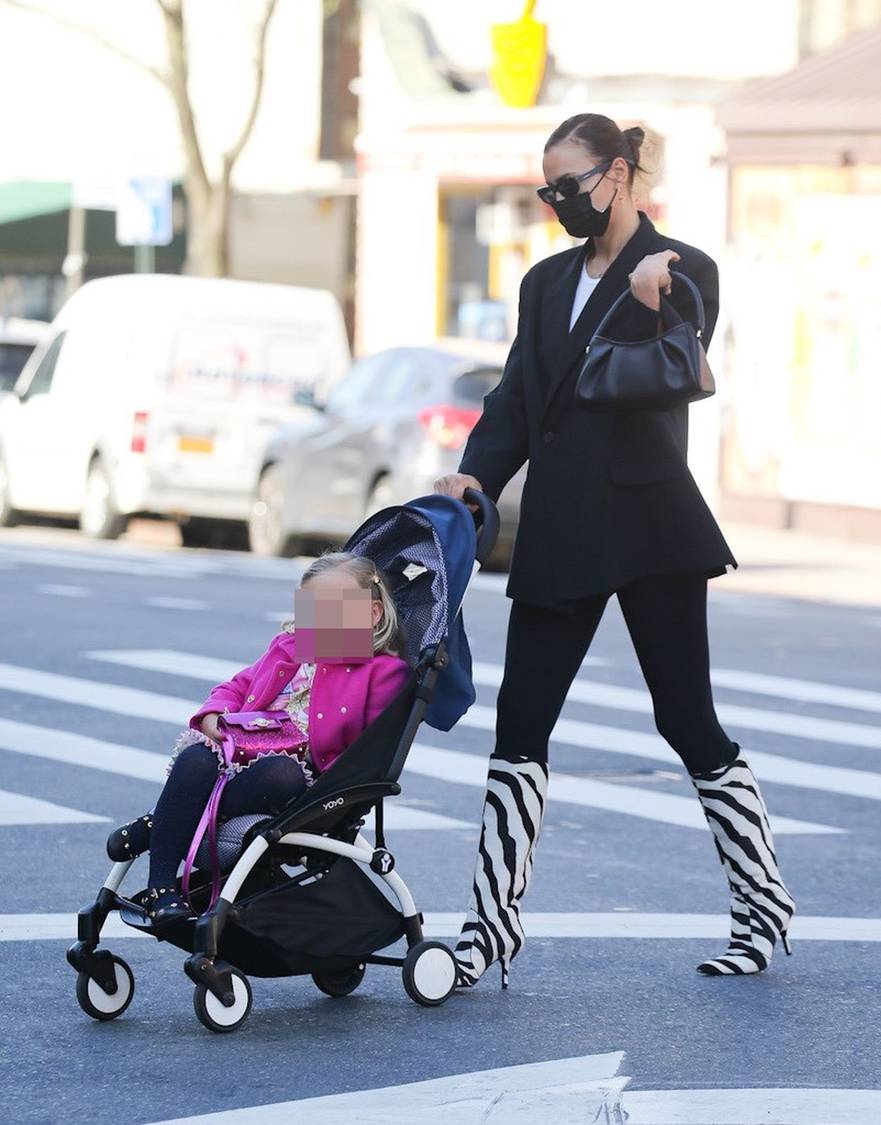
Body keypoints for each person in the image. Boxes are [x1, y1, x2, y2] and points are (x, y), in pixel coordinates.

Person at [435, 113, 795, 986]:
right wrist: (475, 476)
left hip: (650, 528)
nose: (559, 202)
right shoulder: (543, 280)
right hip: (560, 529)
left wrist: (645, 301)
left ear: (622, 176)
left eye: (572, 186)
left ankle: (762, 908)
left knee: (688, 721)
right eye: (547, 190)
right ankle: (489, 926)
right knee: (519, 730)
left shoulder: (681, 268)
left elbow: (669, 374)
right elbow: (519, 394)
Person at [108, 551, 410, 926]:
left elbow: (370, 746)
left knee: (282, 773)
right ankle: (162, 889)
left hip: (300, 778)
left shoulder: (382, 673)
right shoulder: (289, 648)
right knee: (196, 759)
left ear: (372, 614)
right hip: (241, 749)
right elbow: (240, 684)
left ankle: (159, 823)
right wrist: (215, 713)